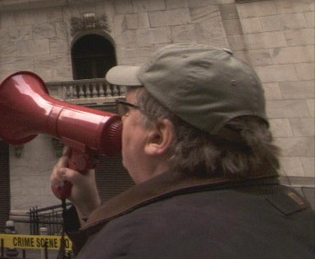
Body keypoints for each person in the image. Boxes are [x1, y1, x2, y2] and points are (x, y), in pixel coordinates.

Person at [50, 43, 314, 258]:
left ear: (158, 136)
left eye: (126, 110)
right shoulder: (299, 215)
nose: (121, 121)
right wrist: (90, 209)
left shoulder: (130, 243)